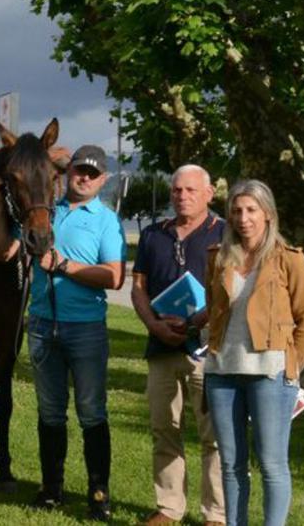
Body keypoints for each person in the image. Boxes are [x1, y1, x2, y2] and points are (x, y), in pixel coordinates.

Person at [12, 145, 125, 521]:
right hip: (43, 325)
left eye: (93, 174)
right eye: (79, 170)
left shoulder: (106, 220)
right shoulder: (44, 210)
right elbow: (6, 250)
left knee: (92, 410)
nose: (84, 178)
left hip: (86, 328)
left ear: (103, 179)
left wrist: (64, 266)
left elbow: (114, 275)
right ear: (67, 172)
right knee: (50, 411)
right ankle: (51, 489)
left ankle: (99, 493)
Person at [202, 180, 304, 526]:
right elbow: (213, 310)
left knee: (272, 463)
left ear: (268, 214)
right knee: (231, 464)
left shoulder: (289, 260)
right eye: (236, 210)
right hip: (222, 371)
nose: (243, 218)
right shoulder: (218, 258)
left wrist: (293, 367)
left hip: (271, 373)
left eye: (251, 210)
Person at [130, 165, 225, 526]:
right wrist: (153, 324)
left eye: (190, 190)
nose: (182, 196)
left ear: (208, 194)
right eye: (176, 190)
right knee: (163, 428)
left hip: (208, 350)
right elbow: (138, 287)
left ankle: (216, 513)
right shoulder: (154, 234)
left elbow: (234, 291)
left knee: (214, 434)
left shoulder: (225, 234)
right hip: (162, 347)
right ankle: (169, 507)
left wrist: (199, 321)